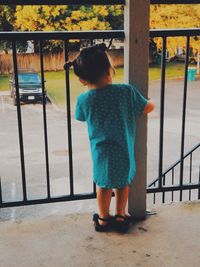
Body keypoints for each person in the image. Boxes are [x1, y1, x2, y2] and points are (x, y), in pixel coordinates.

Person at [64, 43, 154, 233]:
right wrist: (152, 102)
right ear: (109, 69)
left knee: (103, 186)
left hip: (101, 152)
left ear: (82, 80)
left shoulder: (84, 99)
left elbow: (80, 117)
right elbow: (146, 107)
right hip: (124, 150)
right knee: (123, 184)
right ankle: (121, 217)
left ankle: (104, 219)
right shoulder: (125, 92)